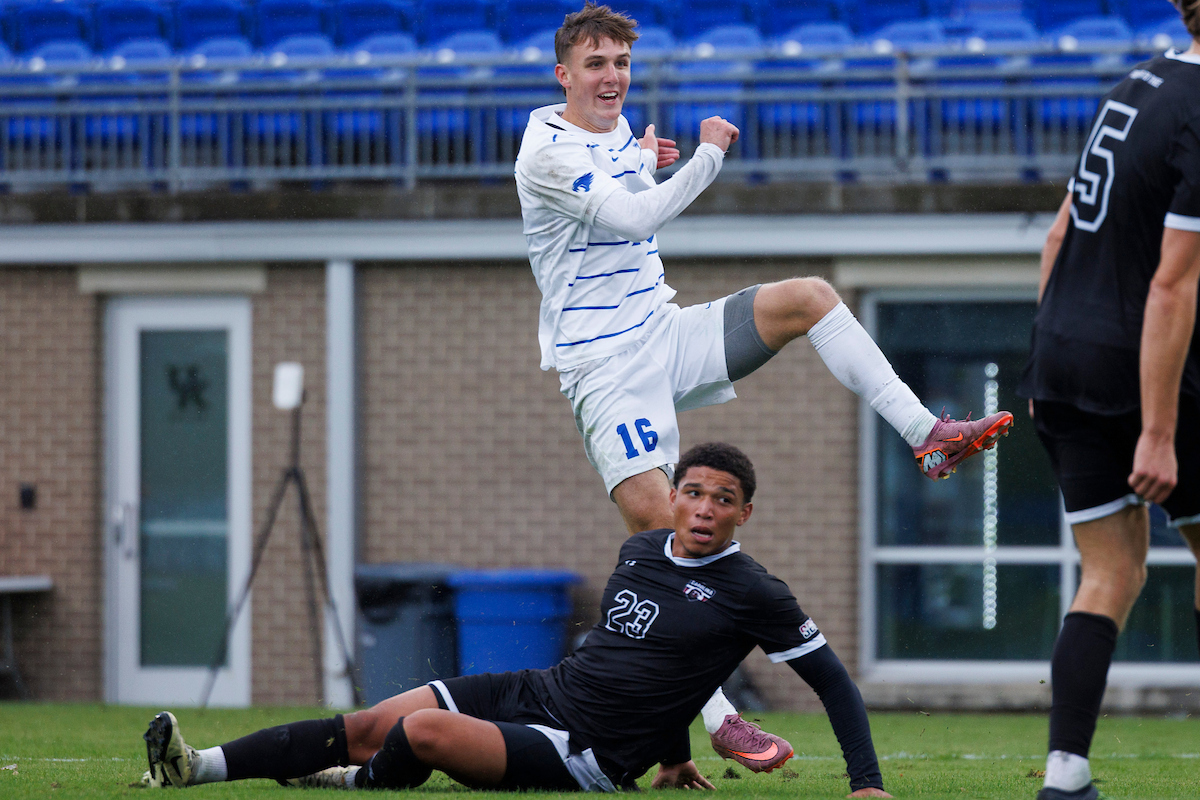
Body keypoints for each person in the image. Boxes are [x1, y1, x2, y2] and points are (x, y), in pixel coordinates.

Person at [514, 0, 1013, 769]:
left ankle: (928, 436)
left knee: (809, 297)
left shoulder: (614, 130)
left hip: (663, 332)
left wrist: (643, 159)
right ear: (563, 74)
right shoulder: (545, 151)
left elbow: (624, 193)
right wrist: (707, 156)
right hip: (603, 366)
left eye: (621, 63)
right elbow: (633, 218)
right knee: (664, 535)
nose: (612, 77)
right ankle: (715, 720)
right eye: (596, 65)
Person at [143, 443, 892, 798]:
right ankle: (196, 766)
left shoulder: (756, 592)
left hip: (584, 754)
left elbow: (833, 683)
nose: (703, 509)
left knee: (421, 734)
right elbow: (650, 664)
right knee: (374, 719)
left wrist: (865, 786)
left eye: (722, 499)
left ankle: (353, 784)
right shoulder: (640, 549)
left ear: (743, 514)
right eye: (692, 492)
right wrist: (673, 758)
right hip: (539, 691)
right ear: (673, 497)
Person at [1017, 3, 1200, 798]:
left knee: (1112, 571)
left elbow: (1058, 236)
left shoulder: (1136, 83)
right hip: (1143, 371)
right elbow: (1173, 283)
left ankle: (1066, 773)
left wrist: (1045, 356)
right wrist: (1158, 431)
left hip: (1064, 357)